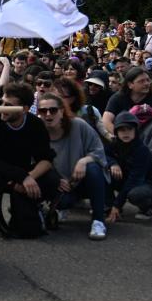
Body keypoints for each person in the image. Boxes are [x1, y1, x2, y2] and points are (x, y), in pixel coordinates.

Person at [0, 82, 57, 237]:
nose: (3, 107)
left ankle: (34, 206)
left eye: (8, 105)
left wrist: (29, 178)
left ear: (24, 109)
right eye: (2, 102)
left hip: (24, 171)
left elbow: (46, 158)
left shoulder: (36, 125)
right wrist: (21, 176)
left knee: (52, 178)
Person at [37, 93, 109, 240]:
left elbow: (98, 150)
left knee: (93, 168)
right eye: (43, 111)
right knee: (63, 202)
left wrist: (83, 161)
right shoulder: (36, 132)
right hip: (61, 184)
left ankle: (98, 220)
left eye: (53, 110)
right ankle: (55, 208)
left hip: (83, 178)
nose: (48, 114)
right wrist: (55, 179)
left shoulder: (78, 125)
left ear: (62, 111)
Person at [104, 112, 152, 222]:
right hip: (125, 178)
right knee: (103, 174)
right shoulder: (114, 144)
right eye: (122, 130)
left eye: (129, 129)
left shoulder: (141, 150)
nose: (126, 133)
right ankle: (109, 206)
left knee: (135, 194)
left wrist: (118, 204)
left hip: (145, 183)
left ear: (135, 130)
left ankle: (147, 207)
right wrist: (113, 163)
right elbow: (103, 155)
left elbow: (135, 179)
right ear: (116, 132)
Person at [101, 66, 152, 135]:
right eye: (141, 81)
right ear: (130, 85)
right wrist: (120, 137)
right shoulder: (118, 98)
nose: (146, 83)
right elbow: (106, 120)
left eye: (148, 80)